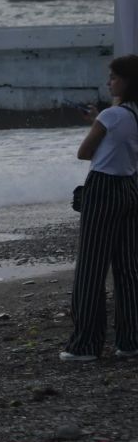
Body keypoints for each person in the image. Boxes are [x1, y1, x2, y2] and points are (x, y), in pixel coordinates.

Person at [62, 55, 138, 361]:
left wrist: (98, 120)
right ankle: (131, 340)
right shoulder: (130, 113)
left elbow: (85, 152)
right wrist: (99, 118)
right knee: (129, 267)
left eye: (114, 77)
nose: (109, 82)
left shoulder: (112, 116)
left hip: (103, 188)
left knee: (91, 269)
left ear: (128, 81)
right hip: (130, 187)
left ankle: (85, 345)